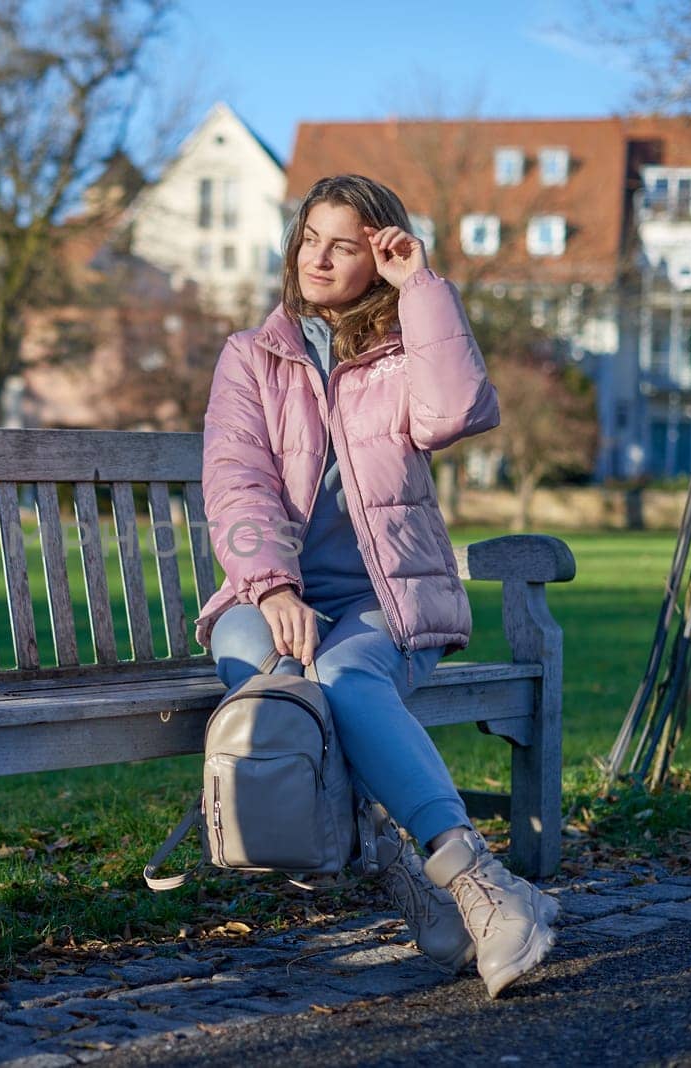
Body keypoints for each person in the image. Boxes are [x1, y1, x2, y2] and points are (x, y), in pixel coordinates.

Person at [195, 174, 558, 999]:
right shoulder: (251, 357)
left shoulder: (399, 353)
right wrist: (271, 586)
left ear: (379, 254)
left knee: (340, 677)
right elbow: (235, 478)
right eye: (311, 238)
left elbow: (457, 412)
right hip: (268, 594)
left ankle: (479, 887)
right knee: (270, 681)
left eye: (346, 245)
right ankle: (409, 873)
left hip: (384, 599)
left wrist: (422, 288)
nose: (319, 258)